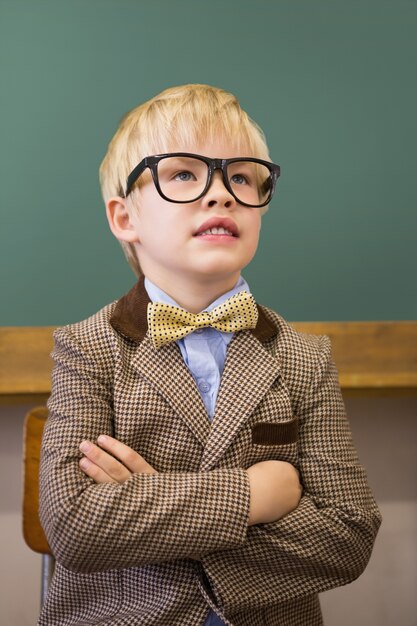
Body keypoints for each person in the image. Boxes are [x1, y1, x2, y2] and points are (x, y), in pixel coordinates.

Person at [39, 84, 381, 626]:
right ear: (125, 217)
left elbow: (348, 536)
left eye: (242, 177)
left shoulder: (305, 357)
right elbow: (77, 526)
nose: (221, 194)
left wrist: (149, 503)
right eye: (182, 174)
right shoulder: (87, 348)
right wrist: (252, 494)